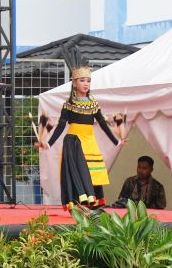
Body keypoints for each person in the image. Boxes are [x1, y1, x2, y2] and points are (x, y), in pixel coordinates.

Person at [38, 44, 121, 208]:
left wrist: (116, 141)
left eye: (88, 80)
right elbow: (61, 126)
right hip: (74, 142)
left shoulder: (93, 103)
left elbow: (102, 123)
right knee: (79, 173)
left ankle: (94, 204)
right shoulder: (69, 104)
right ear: (74, 83)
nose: (86, 83)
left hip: (89, 141)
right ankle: (80, 203)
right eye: (82, 80)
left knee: (94, 172)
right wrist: (49, 143)